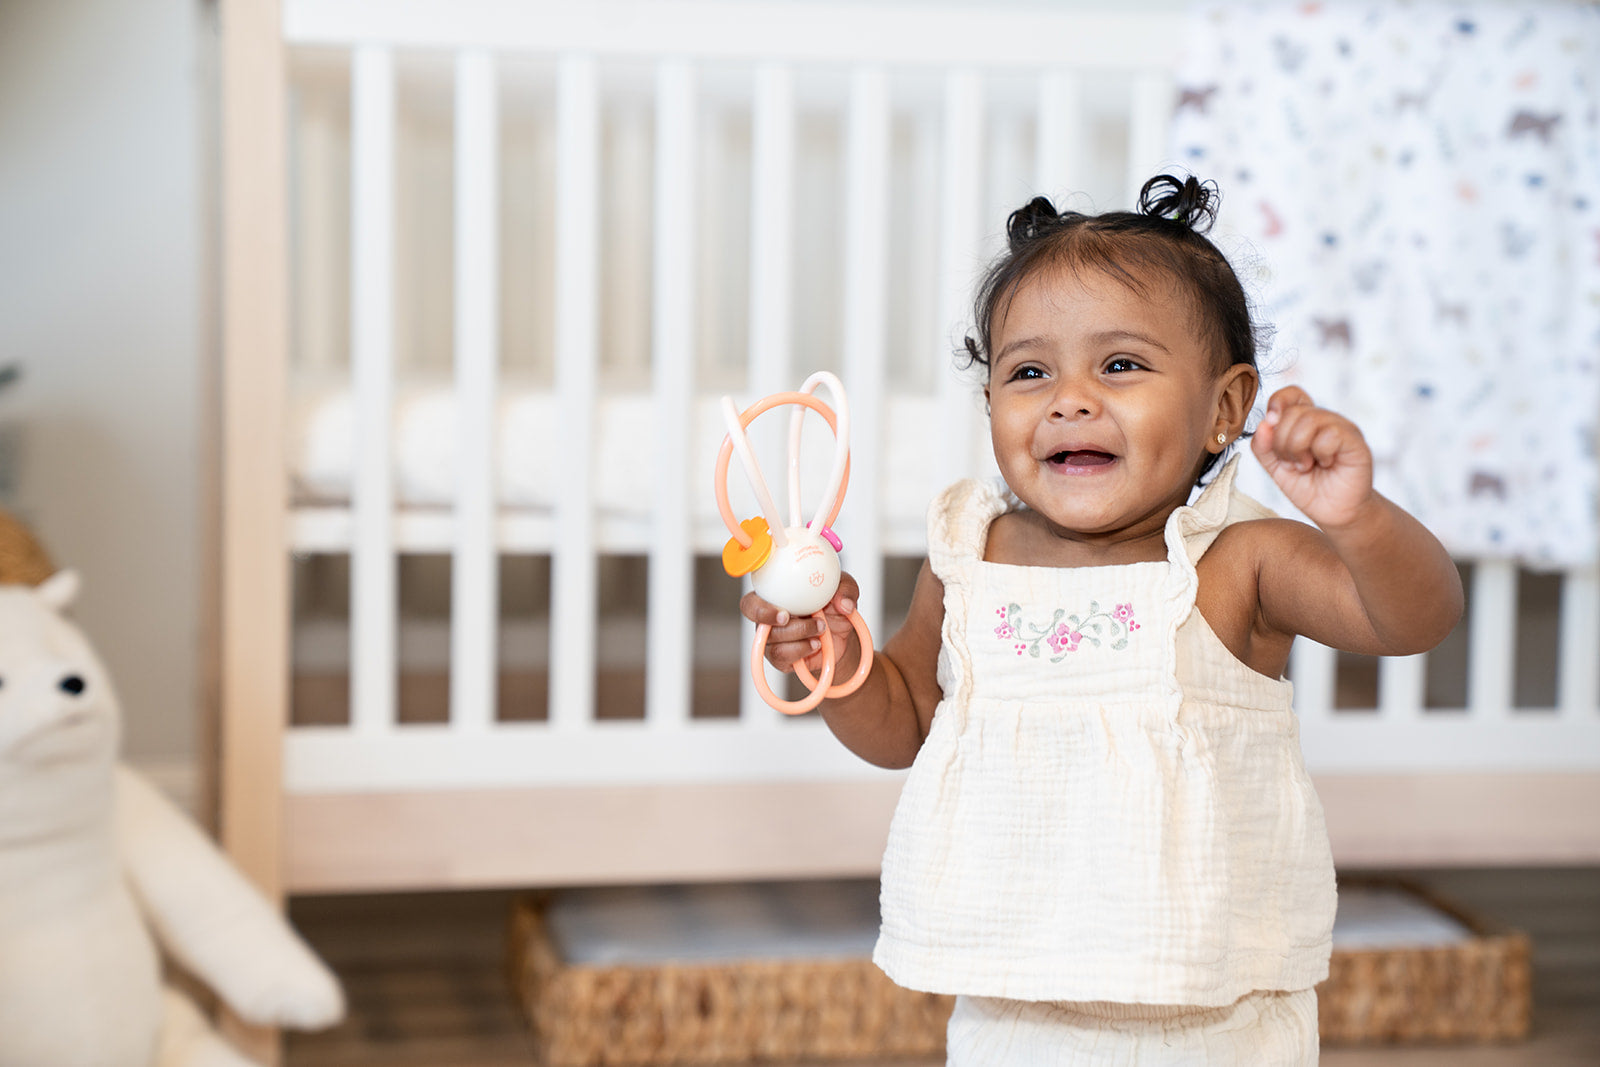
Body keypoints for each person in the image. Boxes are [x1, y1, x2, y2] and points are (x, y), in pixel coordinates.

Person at [739, 174, 1465, 1064]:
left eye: (1120, 365)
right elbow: (906, 727)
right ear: (992, 406)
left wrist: (1359, 519)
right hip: (1014, 991)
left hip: (1212, 1007)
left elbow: (1413, 619)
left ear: (1224, 410)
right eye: (1029, 371)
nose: (1069, 397)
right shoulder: (973, 548)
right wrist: (834, 658)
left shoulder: (1238, 558)